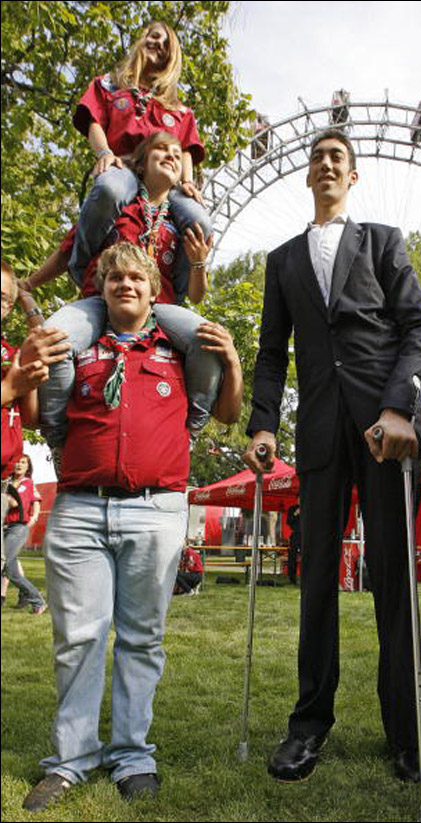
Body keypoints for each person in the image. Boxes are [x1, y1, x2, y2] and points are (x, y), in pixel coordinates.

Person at [243, 129, 421, 787]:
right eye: (318, 158)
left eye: (338, 158)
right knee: (317, 579)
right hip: (320, 430)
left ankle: (408, 733)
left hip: (387, 428)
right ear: (308, 176)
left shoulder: (383, 241)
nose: (326, 164)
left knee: (393, 576)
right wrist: (263, 424)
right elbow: (272, 352)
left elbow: (420, 329)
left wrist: (397, 407)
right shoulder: (282, 260)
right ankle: (307, 726)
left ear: (352, 176)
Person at [22, 242, 242, 813]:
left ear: (153, 290)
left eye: (136, 278)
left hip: (155, 509)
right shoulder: (78, 347)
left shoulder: (177, 352)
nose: (126, 284)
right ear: (100, 289)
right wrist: (29, 361)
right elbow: (42, 419)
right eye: (114, 277)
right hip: (80, 509)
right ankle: (70, 760)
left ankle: (132, 757)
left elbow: (225, 415)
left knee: (142, 639)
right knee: (79, 639)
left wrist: (234, 362)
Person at [28, 132, 222, 446]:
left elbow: (196, 296)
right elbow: (67, 252)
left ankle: (191, 435)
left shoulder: (182, 224)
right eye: (161, 149)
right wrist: (29, 283)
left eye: (177, 153)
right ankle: (58, 440)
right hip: (99, 301)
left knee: (209, 341)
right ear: (141, 164)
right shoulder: (114, 206)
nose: (171, 156)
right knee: (53, 340)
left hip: (158, 309)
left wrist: (198, 262)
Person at [68, 20, 211, 285]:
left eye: (167, 45)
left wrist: (188, 181)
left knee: (200, 221)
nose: (159, 45)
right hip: (125, 166)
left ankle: (175, 292)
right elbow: (93, 122)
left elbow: (186, 148)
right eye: (154, 37)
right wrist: (104, 153)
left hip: (165, 181)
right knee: (109, 190)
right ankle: (83, 267)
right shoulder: (108, 85)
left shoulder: (178, 109)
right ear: (143, 38)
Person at [1, 261, 69, 567]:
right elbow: (10, 390)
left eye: (3, 298)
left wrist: (29, 379)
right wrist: (11, 387)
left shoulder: (7, 352)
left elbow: (29, 419)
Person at [2, 454, 47, 615]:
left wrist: (35, 517)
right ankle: (32, 598)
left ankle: (36, 599)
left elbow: (14, 502)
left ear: (28, 467)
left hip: (17, 527)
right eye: (17, 462)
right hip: (5, 527)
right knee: (11, 569)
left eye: (23, 462)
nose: (19, 465)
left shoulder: (26, 483)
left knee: (6, 564)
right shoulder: (7, 482)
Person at [286, 503, 301, 585]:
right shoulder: (292, 509)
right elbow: (288, 521)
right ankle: (292, 578)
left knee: (307, 556)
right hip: (295, 534)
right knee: (292, 556)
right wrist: (295, 514)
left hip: (306, 535)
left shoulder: (308, 508)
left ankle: (306, 577)